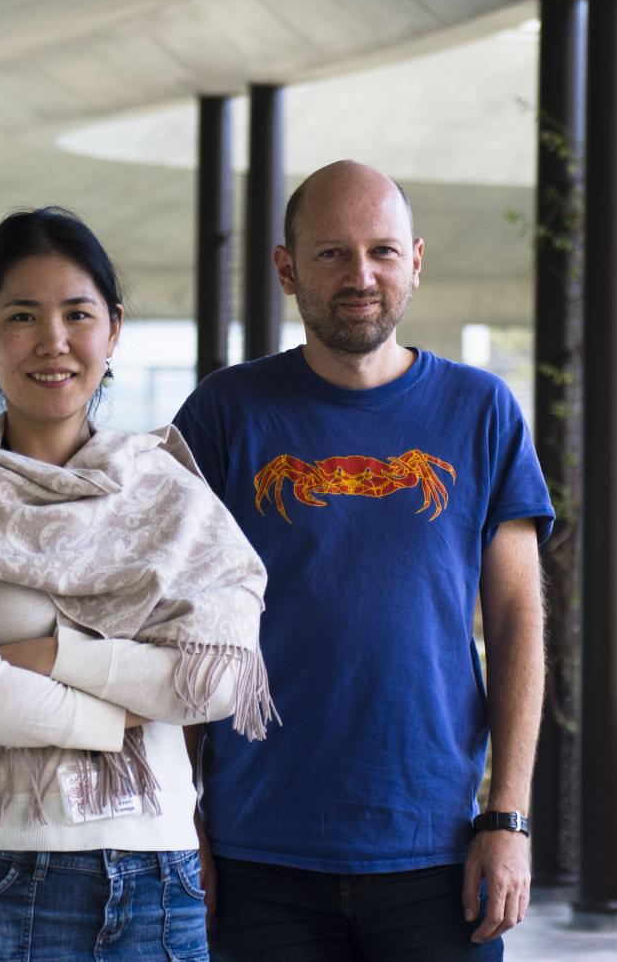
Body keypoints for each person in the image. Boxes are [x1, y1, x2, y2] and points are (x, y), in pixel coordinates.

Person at [0, 206, 273, 962]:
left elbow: (216, 680)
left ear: (112, 331)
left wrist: (52, 655)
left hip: (157, 873)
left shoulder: (170, 494)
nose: (53, 340)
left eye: (76, 314)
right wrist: (122, 714)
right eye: (24, 315)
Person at [172, 160, 553, 961]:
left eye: (381, 251)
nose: (361, 275)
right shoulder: (224, 414)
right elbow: (175, 623)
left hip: (439, 848)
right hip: (259, 851)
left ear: (415, 260)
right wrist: (181, 821)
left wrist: (508, 816)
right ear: (287, 268)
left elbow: (518, 621)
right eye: (331, 253)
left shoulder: (481, 411)